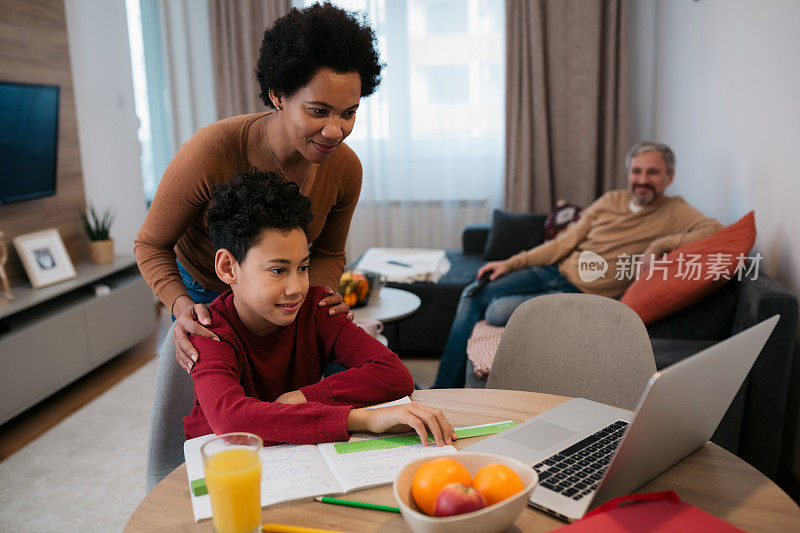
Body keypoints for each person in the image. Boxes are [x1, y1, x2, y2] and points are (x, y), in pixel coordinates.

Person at [135, 3, 383, 373]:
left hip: (282, 290)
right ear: (278, 96)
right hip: (206, 293)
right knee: (221, 405)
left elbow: (330, 253)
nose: (336, 131)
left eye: (348, 113)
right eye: (318, 111)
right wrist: (181, 306)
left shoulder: (346, 169)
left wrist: (318, 297)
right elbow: (151, 244)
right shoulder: (210, 152)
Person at [183, 169, 456, 447]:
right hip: (220, 463)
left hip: (293, 453)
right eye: (278, 270)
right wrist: (365, 419)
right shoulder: (209, 331)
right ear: (228, 268)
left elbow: (393, 373)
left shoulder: (315, 308)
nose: (296, 287)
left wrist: (300, 397)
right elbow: (232, 420)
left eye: (302, 267)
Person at [433, 142, 724, 388]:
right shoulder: (611, 200)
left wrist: (660, 246)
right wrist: (510, 263)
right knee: (473, 291)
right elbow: (564, 243)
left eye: (653, 172)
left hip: (580, 296)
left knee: (496, 309)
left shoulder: (675, 211)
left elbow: (715, 230)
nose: (642, 179)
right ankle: (443, 389)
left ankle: (449, 386)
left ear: (669, 177)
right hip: (553, 270)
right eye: (637, 171)